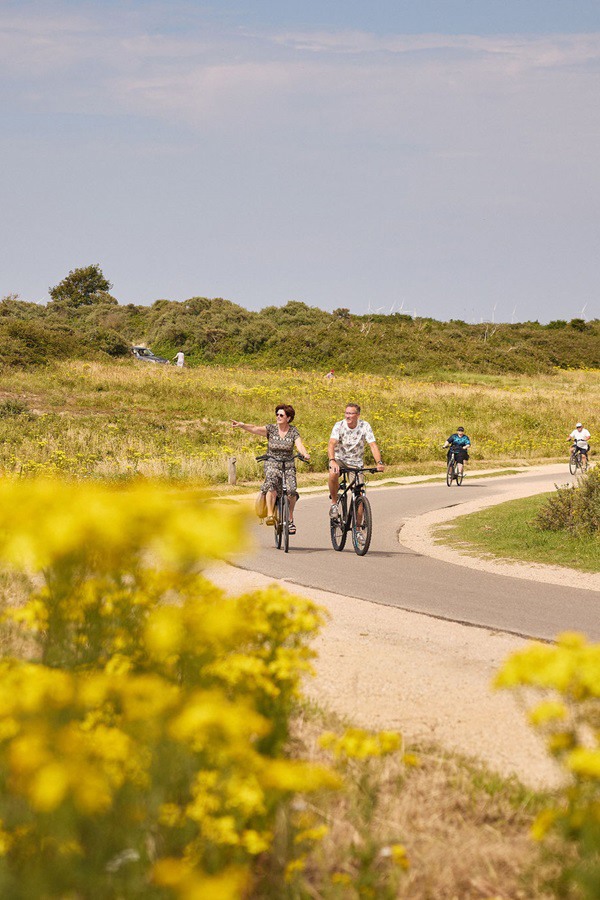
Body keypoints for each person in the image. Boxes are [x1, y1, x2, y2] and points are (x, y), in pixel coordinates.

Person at [232, 405, 310, 533]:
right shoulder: (271, 429)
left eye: (281, 415)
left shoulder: (293, 431)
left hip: (288, 465)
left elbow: (299, 445)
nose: (278, 417)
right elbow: (255, 428)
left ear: (288, 418)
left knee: (291, 490)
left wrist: (305, 454)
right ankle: (270, 515)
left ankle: (290, 519)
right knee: (271, 483)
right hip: (272, 463)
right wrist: (242, 425)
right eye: (277, 415)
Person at [327, 403, 384, 517]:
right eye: (346, 413)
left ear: (358, 415)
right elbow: (332, 443)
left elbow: (372, 445)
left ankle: (358, 530)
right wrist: (332, 460)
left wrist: (379, 463)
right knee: (333, 473)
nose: (348, 416)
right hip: (340, 459)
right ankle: (334, 503)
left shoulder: (364, 426)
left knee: (359, 494)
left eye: (351, 413)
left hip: (356, 463)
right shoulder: (339, 425)